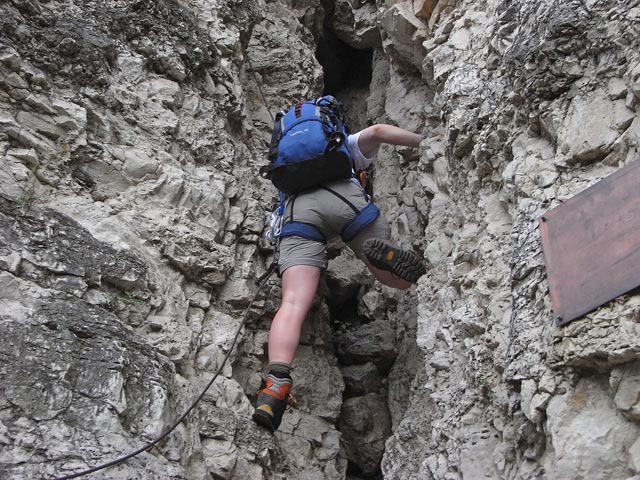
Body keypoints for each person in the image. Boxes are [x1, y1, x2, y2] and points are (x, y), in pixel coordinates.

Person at [252, 123, 427, 432]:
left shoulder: (290, 164)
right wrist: (425, 142)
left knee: (292, 302)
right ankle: (394, 263)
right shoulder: (339, 144)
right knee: (394, 279)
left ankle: (275, 385)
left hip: (298, 211)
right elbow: (378, 131)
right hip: (344, 196)